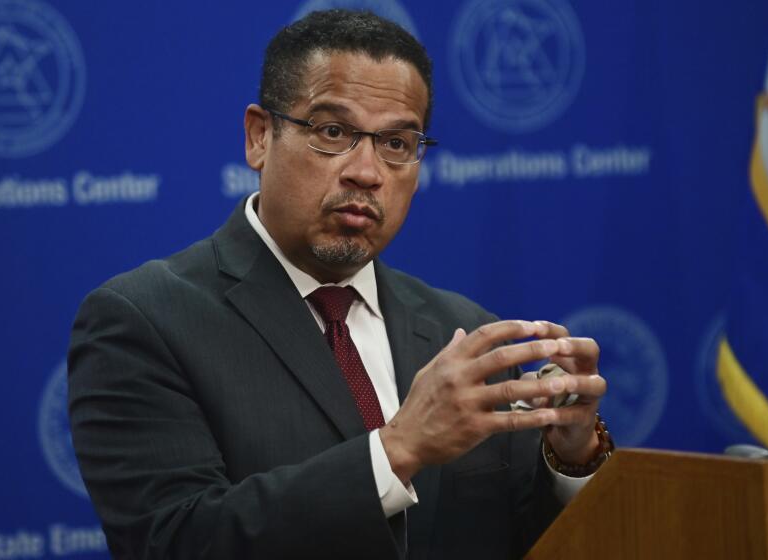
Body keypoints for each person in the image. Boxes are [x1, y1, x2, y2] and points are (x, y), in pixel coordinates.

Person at [68, 9, 610, 560]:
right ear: (260, 137)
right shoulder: (144, 320)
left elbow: (521, 538)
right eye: (333, 132)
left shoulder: (464, 331)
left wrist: (572, 457)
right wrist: (397, 449)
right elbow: (174, 542)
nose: (367, 172)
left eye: (397, 143)